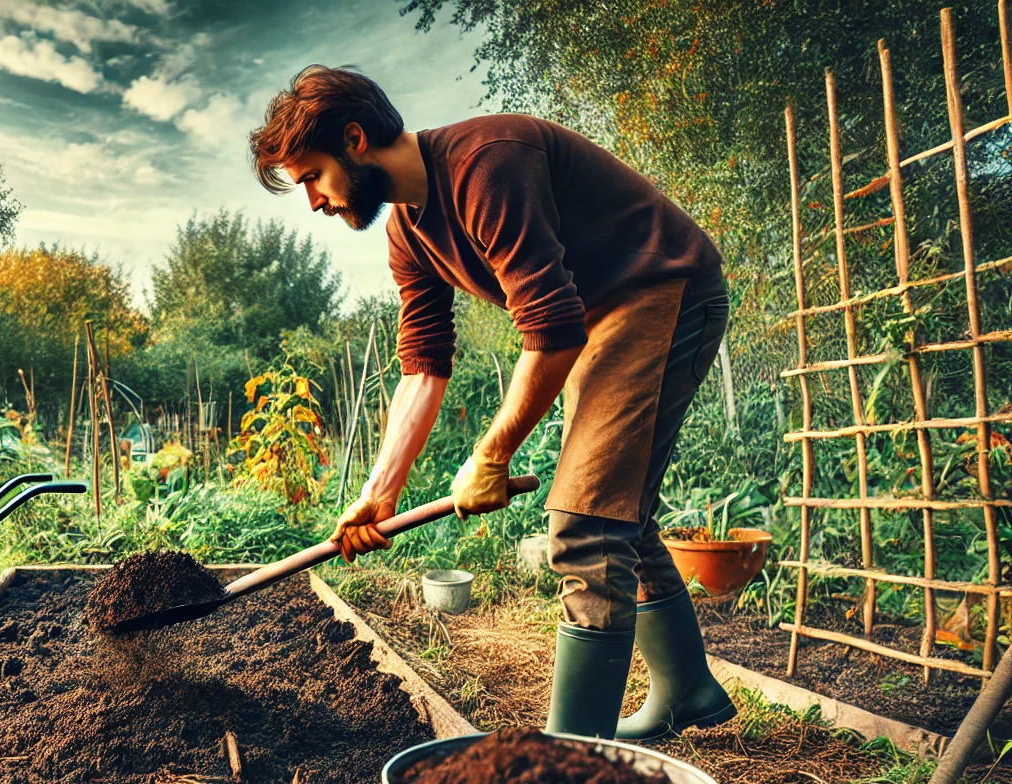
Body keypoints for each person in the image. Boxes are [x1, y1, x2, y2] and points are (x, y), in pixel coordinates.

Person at [249, 65, 734, 740]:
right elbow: (423, 367)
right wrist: (379, 492)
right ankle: (687, 690)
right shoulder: (407, 234)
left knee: (586, 523)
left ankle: (568, 763)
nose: (314, 202)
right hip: (603, 317)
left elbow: (551, 327)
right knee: (613, 510)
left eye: (311, 177)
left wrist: (492, 453)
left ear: (354, 139)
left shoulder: (486, 165)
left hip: (663, 291)